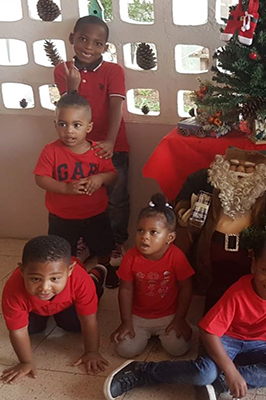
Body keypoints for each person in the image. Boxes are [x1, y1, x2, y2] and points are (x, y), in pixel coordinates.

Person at [103, 218, 266, 400]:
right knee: (204, 372)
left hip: (255, 342)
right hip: (223, 339)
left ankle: (218, 385)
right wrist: (230, 370)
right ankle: (143, 372)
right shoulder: (238, 292)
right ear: (254, 265)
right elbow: (208, 332)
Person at [174, 147, 266, 313]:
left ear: (261, 172)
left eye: (249, 168)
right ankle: (214, 313)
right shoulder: (209, 181)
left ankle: (244, 315)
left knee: (247, 289)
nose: (241, 171)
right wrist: (184, 210)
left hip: (248, 252)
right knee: (215, 289)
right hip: (214, 249)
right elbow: (185, 193)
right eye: (235, 165)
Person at [54, 15, 130, 264]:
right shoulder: (63, 71)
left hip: (112, 146)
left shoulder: (113, 71)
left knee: (116, 198)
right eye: (83, 39)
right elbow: (69, 109)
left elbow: (116, 107)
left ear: (105, 47)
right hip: (77, 148)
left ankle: (115, 242)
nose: (89, 47)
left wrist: (110, 142)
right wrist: (72, 86)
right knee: (83, 196)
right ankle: (87, 241)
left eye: (97, 43)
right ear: (72, 38)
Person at [34, 93, 119, 288]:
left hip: (96, 213)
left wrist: (100, 178)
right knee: (62, 253)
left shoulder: (98, 151)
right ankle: (66, 280)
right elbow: (40, 178)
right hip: (61, 217)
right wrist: (65, 187)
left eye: (76, 125)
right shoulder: (51, 151)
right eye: (62, 124)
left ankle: (106, 270)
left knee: (104, 247)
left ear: (89, 127)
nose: (69, 131)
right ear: (55, 124)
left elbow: (112, 175)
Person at [1, 235, 108, 383]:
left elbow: (89, 319)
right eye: (36, 279)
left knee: (73, 325)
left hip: (73, 296)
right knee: (32, 329)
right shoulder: (13, 289)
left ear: (69, 271)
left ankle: (96, 275)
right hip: (37, 306)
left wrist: (92, 352)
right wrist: (26, 362)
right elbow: (18, 330)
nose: (45, 288)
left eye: (54, 278)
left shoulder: (80, 279)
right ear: (22, 271)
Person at [110, 193, 195, 358]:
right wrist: (126, 322)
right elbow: (125, 289)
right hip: (138, 316)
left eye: (153, 232)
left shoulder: (177, 257)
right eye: (140, 230)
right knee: (125, 349)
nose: (144, 237)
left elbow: (186, 288)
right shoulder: (130, 257)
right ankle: (145, 333)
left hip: (169, 315)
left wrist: (179, 318)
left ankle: (172, 331)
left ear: (170, 237)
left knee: (178, 348)